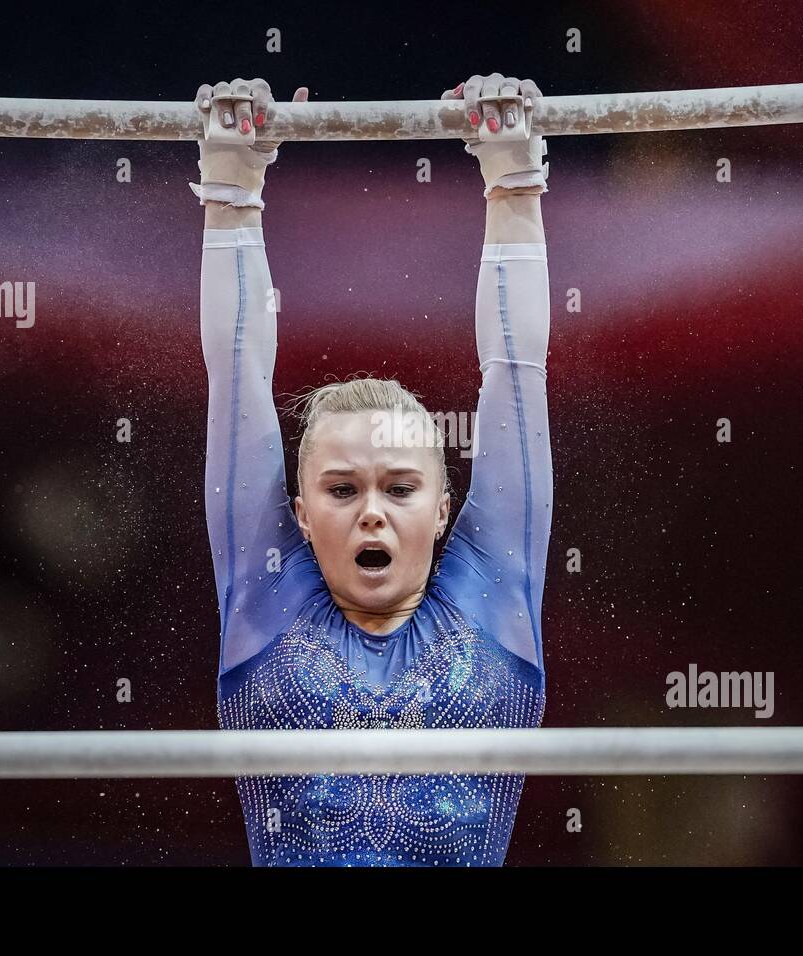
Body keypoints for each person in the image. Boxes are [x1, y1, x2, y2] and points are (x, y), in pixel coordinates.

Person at [193, 73, 553, 866]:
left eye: (399, 488)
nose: (372, 513)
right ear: (296, 514)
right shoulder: (264, 592)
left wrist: (514, 178)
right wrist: (232, 185)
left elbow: (517, 369)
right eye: (342, 489)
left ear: (446, 509)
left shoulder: (495, 592)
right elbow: (239, 375)